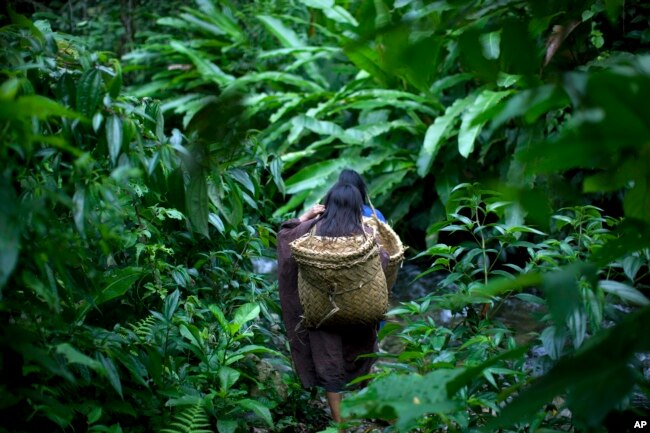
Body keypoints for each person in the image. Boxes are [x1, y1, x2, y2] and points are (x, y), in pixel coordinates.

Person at [276, 183, 389, 424]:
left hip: (321, 310)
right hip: (358, 311)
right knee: (358, 354)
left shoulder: (311, 230)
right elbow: (383, 261)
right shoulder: (366, 235)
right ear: (356, 207)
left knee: (329, 362)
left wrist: (306, 215)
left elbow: (285, 236)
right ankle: (363, 409)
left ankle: (339, 424)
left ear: (329, 204)